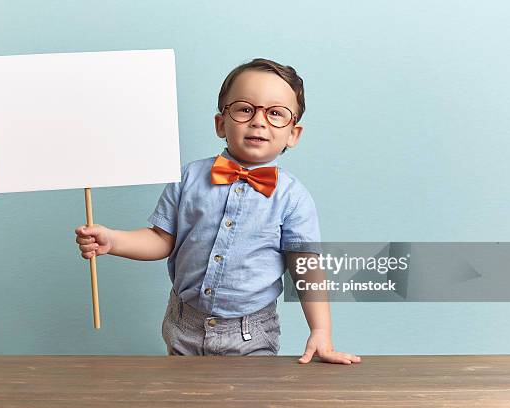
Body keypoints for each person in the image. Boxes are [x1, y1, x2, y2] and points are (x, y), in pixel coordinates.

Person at [75, 58, 361, 364]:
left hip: (250, 332)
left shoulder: (293, 198)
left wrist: (321, 329)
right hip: (183, 323)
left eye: (276, 113)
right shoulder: (187, 179)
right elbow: (161, 239)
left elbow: (305, 267)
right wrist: (113, 240)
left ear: (293, 134)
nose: (259, 121)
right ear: (220, 123)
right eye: (244, 109)